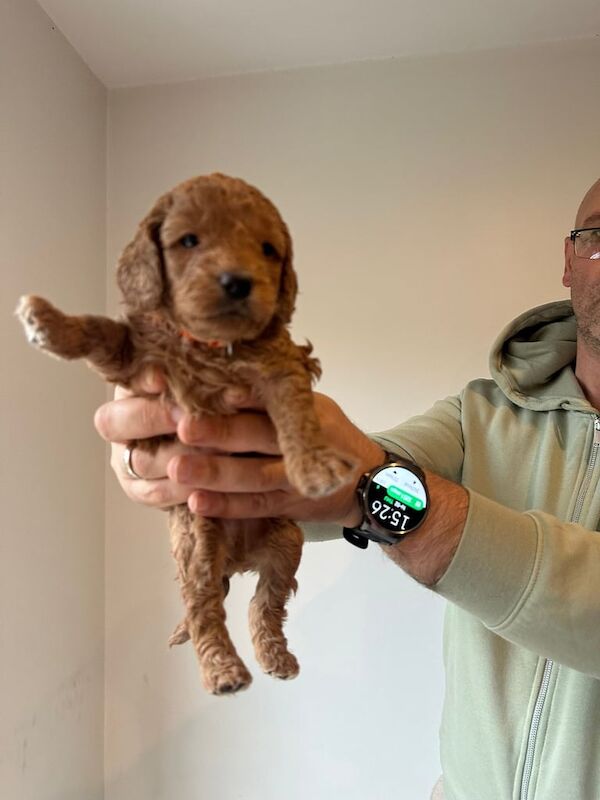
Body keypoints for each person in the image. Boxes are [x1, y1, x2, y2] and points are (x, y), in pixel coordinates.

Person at [94, 178, 600, 800]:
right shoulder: (482, 413)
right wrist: (191, 451)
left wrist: (371, 490)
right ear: (569, 261)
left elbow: (367, 482)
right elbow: (338, 484)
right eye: (598, 234)